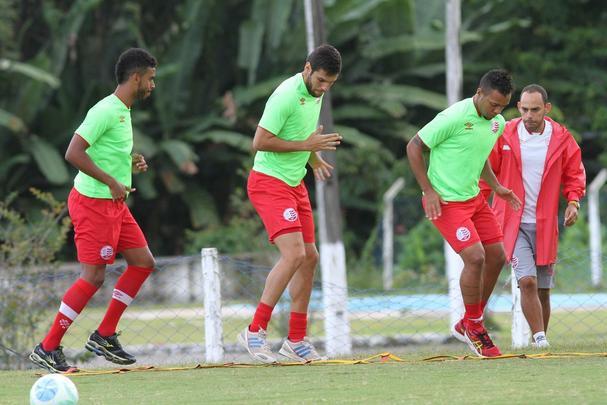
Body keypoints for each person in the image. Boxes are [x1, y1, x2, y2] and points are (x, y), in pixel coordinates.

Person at [30, 48, 158, 373]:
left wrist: (129, 164)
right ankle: (48, 347)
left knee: (143, 263)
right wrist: (111, 182)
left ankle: (104, 335)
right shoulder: (105, 109)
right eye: (151, 79)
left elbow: (103, 153)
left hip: (113, 203)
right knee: (93, 276)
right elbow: (73, 152)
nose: (153, 86)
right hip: (93, 204)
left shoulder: (123, 111)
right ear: (136, 78)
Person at [238, 44, 343, 363]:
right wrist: (307, 145)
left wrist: (312, 158)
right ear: (307, 68)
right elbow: (260, 142)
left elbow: (301, 132)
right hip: (269, 182)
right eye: (322, 80)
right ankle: (254, 330)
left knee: (310, 257)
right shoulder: (286, 94)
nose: (324, 88)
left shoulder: (316, 92)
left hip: (294, 182)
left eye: (330, 84)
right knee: (294, 253)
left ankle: (296, 340)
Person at [406, 69, 521, 357]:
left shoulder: (496, 123)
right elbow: (414, 147)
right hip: (446, 202)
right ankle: (476, 326)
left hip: (475, 198)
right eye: (493, 104)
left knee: (497, 256)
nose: (497, 111)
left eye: (502, 107)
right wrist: (429, 191)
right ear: (479, 93)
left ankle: (469, 322)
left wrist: (497, 187)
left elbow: (478, 156)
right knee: (475, 257)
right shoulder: (454, 117)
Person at [481, 84, 586, 348]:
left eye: (535, 110)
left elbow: (574, 173)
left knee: (542, 289)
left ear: (546, 109)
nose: (529, 115)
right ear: (518, 108)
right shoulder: (504, 134)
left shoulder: (562, 138)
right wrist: (479, 206)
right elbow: (486, 174)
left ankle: (541, 341)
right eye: (525, 109)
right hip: (510, 223)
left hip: (545, 224)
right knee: (526, 281)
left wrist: (573, 202)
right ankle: (539, 338)